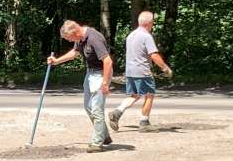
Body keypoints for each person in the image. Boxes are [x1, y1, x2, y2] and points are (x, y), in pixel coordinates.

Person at [48, 20, 113, 153]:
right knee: (88, 107)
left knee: (96, 109)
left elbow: (108, 61)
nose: (70, 41)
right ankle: (104, 135)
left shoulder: (94, 38)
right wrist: (56, 61)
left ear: (75, 32)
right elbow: (74, 53)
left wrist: (105, 83)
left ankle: (97, 143)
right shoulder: (81, 38)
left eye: (69, 38)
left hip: (101, 75)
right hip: (90, 74)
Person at [108, 11, 173, 132]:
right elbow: (154, 55)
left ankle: (116, 113)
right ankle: (144, 122)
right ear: (150, 23)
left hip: (130, 71)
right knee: (149, 94)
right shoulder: (146, 36)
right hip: (142, 71)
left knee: (135, 95)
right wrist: (165, 68)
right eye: (153, 22)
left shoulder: (131, 35)